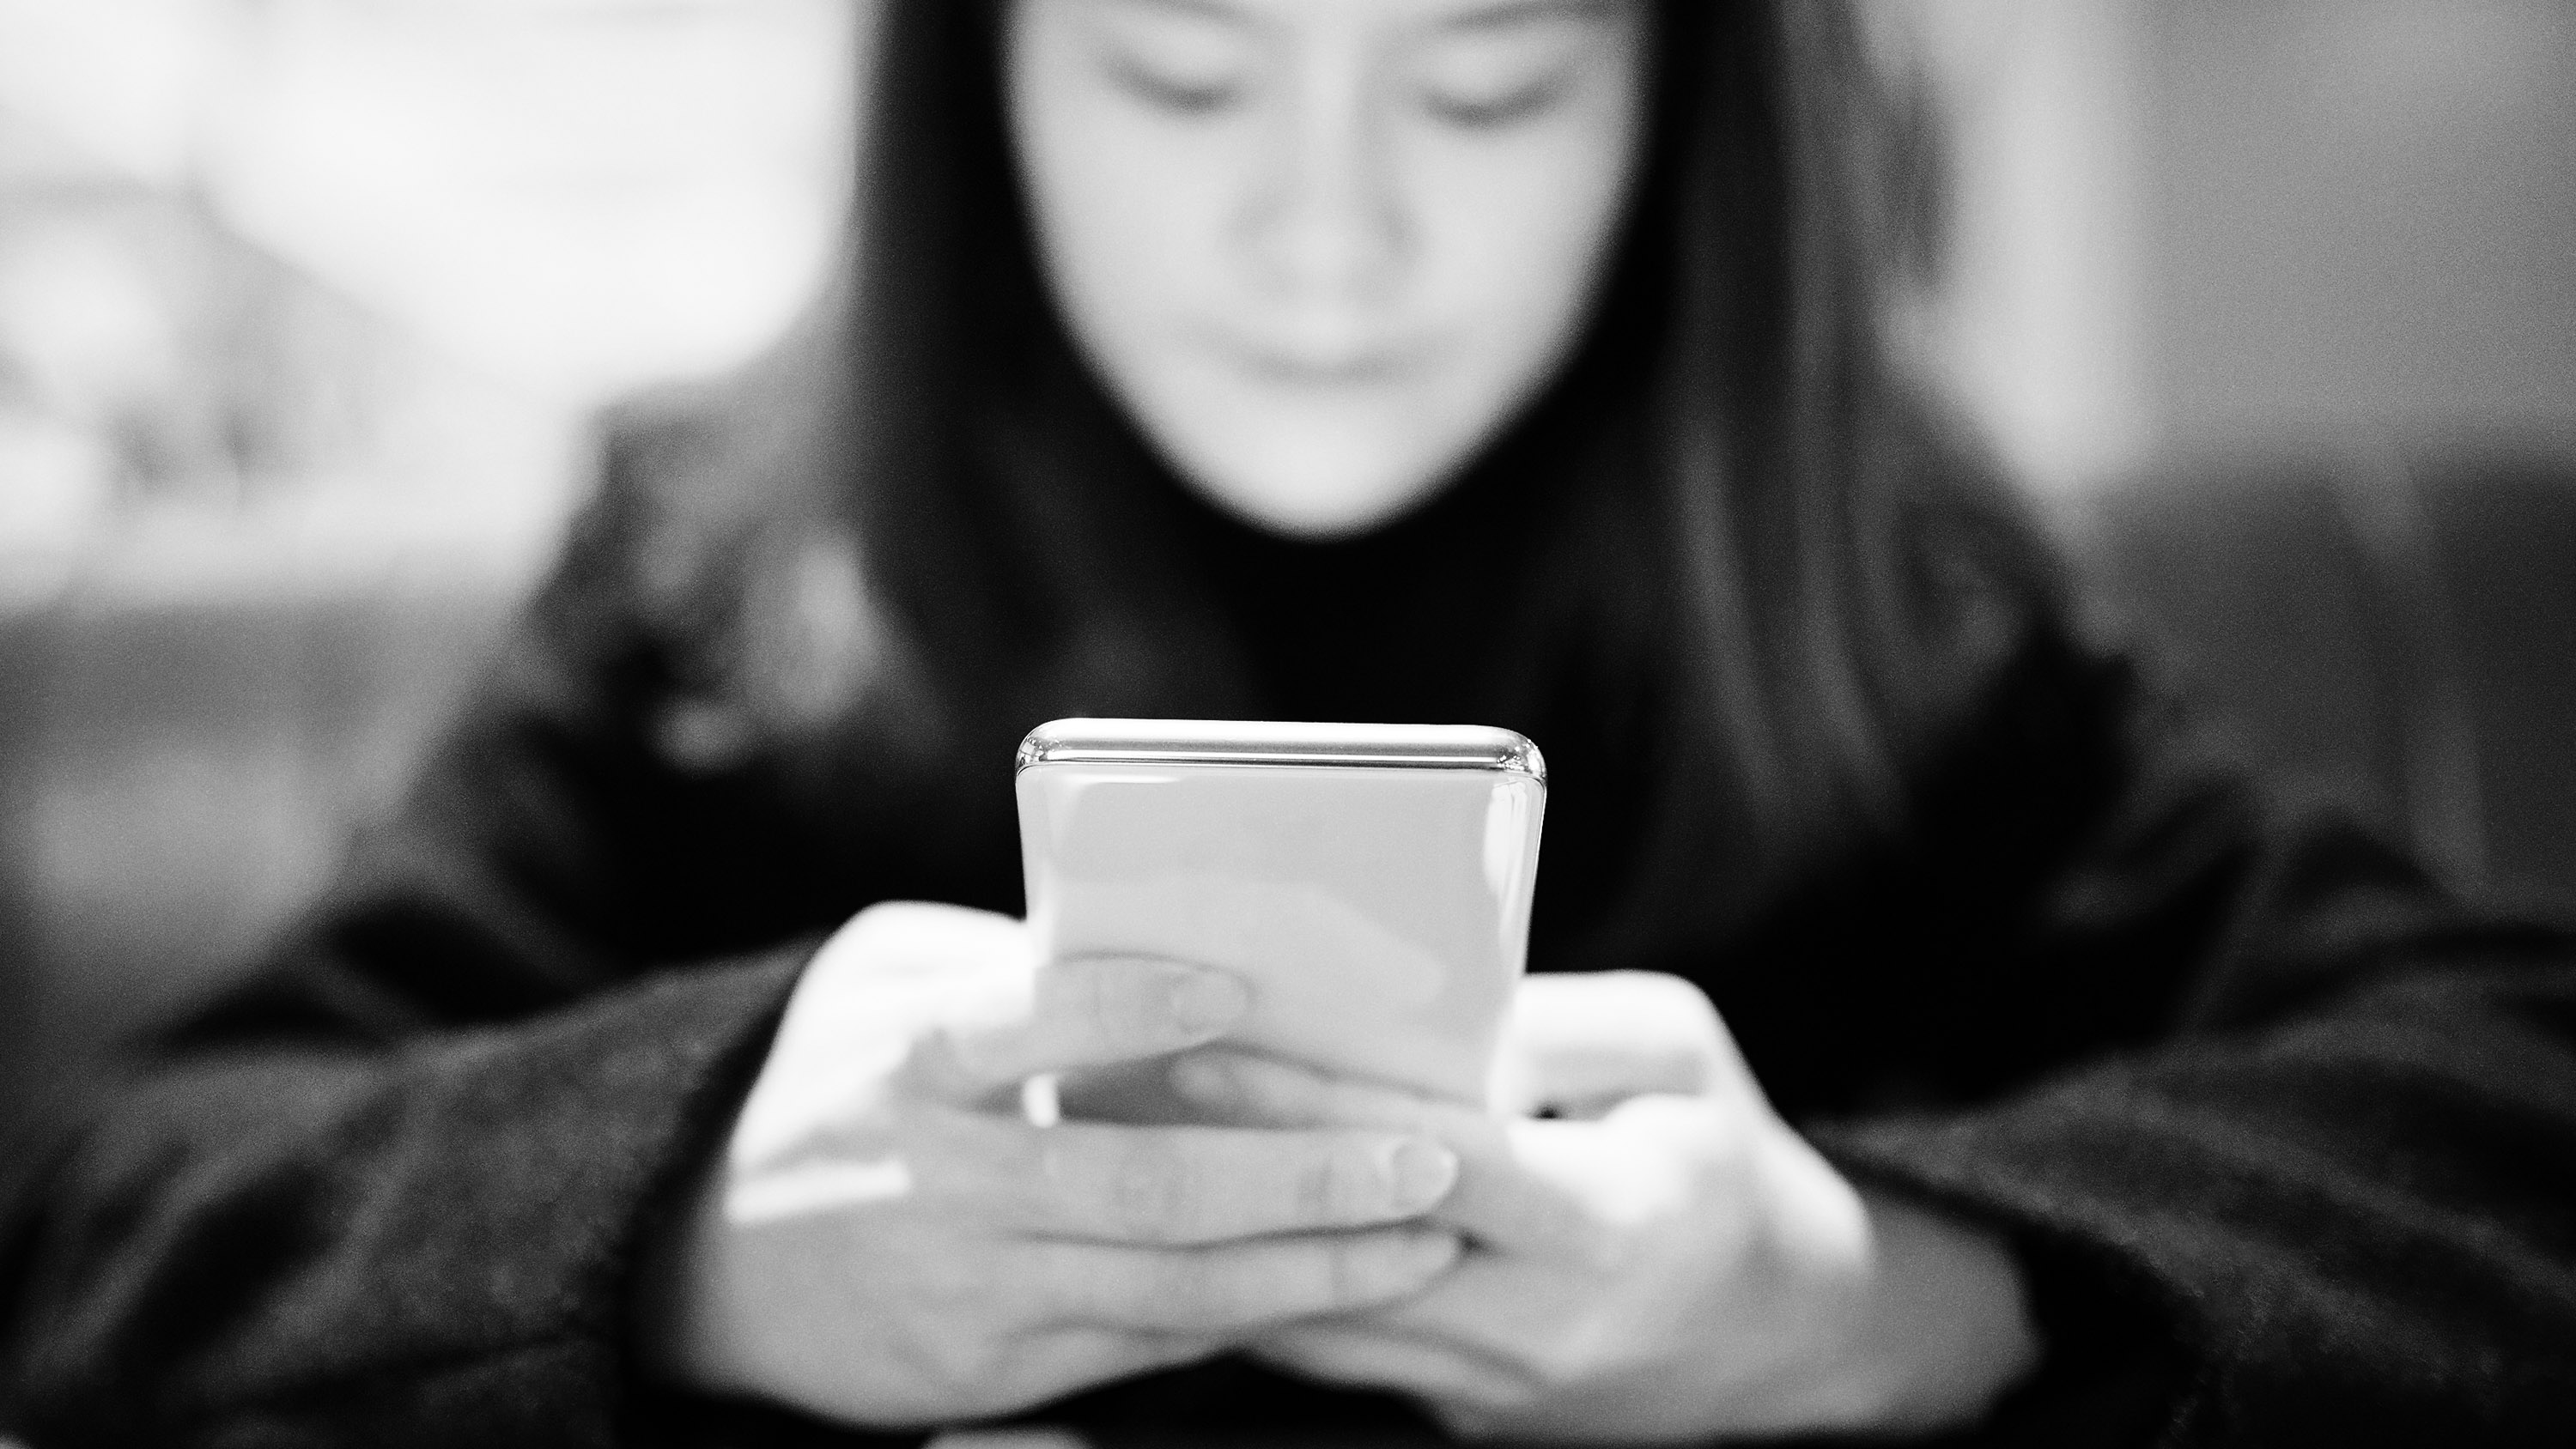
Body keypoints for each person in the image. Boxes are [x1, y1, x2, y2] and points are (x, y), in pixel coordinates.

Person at [5, 0, 2576, 1443]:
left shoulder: (1909, 608)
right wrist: (680, 1242)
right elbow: (129, 1203)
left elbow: (2512, 1094)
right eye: (1176, 68)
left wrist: (1889, 1299)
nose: (1325, 227)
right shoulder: (712, 577)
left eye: (1482, 82)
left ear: (1675, 123)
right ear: (981, 98)